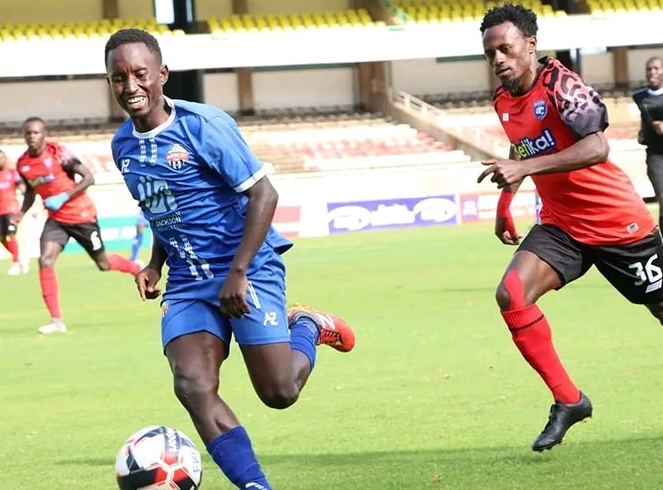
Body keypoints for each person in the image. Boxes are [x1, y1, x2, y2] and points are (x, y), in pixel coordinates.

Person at [104, 28, 356, 490]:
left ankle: (307, 326)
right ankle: (256, 486)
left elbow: (264, 193)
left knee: (279, 392)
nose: (131, 86)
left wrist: (238, 272)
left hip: (245, 269)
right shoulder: (123, 147)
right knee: (192, 386)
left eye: (140, 74)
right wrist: (155, 264)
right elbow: (164, 210)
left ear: (162, 74)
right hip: (187, 282)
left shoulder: (203, 125)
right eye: (118, 78)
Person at [477, 3, 663, 452]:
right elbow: (521, 149)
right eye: (490, 53)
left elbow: (597, 146)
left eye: (506, 48)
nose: (499, 59)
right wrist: (506, 202)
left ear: (530, 45)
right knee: (511, 294)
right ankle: (569, 400)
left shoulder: (562, 83)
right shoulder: (503, 99)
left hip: (619, 224)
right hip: (563, 227)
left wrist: (528, 169)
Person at [16, 117, 142, 334]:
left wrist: (64, 196)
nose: (32, 137)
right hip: (56, 219)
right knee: (45, 260)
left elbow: (89, 178)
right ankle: (56, 321)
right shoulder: (23, 164)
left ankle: (135, 268)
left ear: (44, 134)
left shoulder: (59, 154)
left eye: (36, 133)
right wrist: (19, 214)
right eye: (28, 133)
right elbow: (30, 192)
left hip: (81, 215)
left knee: (103, 263)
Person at [633, 56, 663, 232]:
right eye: (649, 69)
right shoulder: (640, 96)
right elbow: (644, 119)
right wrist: (643, 134)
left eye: (656, 68)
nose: (652, 72)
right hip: (656, 156)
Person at [0, 149, 27, 275]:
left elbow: (21, 185)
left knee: (10, 235)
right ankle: (19, 256)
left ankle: (15, 263)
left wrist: (23, 189)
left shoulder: (12, 173)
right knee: (2, 238)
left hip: (11, 209)